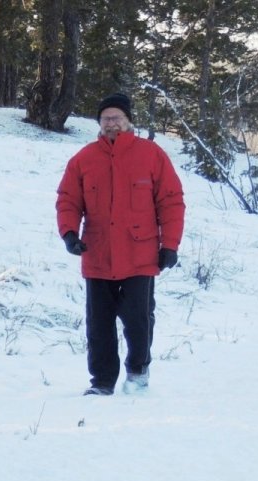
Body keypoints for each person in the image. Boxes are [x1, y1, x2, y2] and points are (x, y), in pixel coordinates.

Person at [55, 92, 185, 395]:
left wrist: (170, 245)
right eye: (105, 119)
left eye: (116, 118)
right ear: (99, 123)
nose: (111, 123)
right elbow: (68, 200)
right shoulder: (84, 159)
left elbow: (171, 201)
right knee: (98, 326)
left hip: (140, 255)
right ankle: (101, 382)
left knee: (138, 321)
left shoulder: (151, 155)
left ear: (128, 121)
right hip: (98, 254)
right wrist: (69, 234)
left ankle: (138, 371)